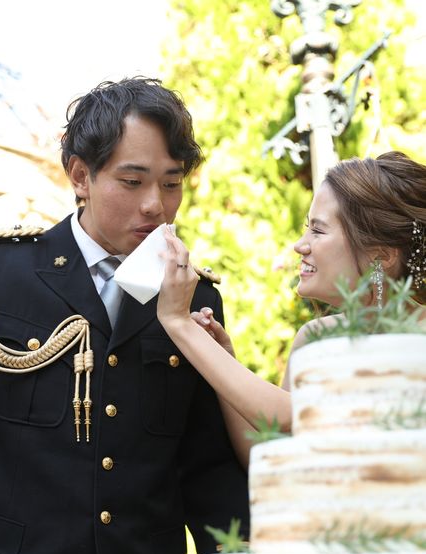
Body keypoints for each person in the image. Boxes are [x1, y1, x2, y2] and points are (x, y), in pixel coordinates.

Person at [0, 77, 249, 554]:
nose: (155, 204)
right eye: (133, 181)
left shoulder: (194, 299)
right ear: (81, 175)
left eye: (172, 183)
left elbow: (207, 469)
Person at [157, 151, 426, 468]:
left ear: (380, 256)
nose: (300, 245)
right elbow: (272, 452)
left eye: (318, 231)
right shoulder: (314, 337)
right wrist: (223, 354)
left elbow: (291, 417)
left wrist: (179, 322)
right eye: (306, 227)